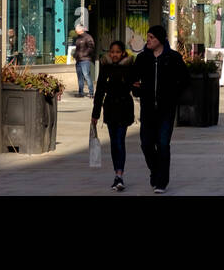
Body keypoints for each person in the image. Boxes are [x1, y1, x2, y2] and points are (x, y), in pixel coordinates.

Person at [131, 25, 189, 193]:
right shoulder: (142, 58)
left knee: (163, 144)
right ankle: (155, 170)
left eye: (152, 38)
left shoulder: (173, 58)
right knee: (146, 144)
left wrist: (173, 95)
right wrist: (137, 89)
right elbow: (133, 80)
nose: (148, 41)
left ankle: (162, 181)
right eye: (148, 37)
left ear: (161, 40)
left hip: (166, 110)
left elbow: (185, 80)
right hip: (148, 110)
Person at [91, 41, 135, 191]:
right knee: (113, 142)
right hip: (110, 108)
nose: (114, 54)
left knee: (119, 141)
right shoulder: (105, 67)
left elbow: (134, 88)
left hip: (124, 108)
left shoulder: (129, 68)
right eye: (112, 52)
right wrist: (95, 113)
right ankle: (117, 174)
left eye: (117, 52)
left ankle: (119, 175)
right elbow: (100, 92)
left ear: (123, 53)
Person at [73, 25, 97, 98]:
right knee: (80, 77)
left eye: (76, 29)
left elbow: (91, 47)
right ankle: (81, 92)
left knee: (86, 75)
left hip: (85, 60)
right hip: (78, 60)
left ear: (80, 30)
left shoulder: (88, 37)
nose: (75, 30)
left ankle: (91, 92)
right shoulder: (78, 38)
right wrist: (75, 55)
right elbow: (77, 49)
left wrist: (84, 54)